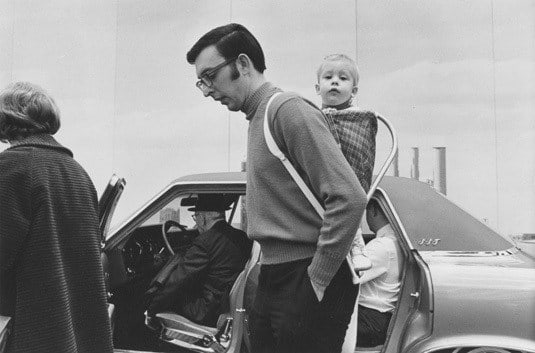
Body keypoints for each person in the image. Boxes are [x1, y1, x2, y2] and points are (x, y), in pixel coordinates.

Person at [186, 24, 367, 353]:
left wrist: (317, 279)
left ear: (242, 64)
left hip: (304, 274)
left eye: (210, 76)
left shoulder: (286, 110)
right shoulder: (257, 117)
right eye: (201, 80)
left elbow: (350, 197)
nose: (206, 90)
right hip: (275, 273)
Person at [0, 82, 113, 353]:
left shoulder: (12, 168)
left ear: (7, 120)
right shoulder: (77, 172)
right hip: (73, 332)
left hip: (28, 331)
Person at [146, 194, 252, 326]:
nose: (196, 222)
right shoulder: (242, 237)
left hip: (206, 310)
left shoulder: (204, 242)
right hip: (228, 304)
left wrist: (151, 309)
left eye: (196, 217)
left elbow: (178, 281)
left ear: (202, 218)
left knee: (169, 296)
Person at [315, 53, 378, 272]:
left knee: (349, 200)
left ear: (354, 91)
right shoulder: (312, 118)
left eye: (343, 78)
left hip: (346, 178)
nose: (334, 81)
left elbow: (362, 155)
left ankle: (356, 245)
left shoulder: (359, 118)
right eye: (328, 77)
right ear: (317, 87)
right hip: (320, 180)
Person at [355, 199, 403, 347]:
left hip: (369, 320)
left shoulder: (382, 246)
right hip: (378, 319)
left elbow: (350, 275)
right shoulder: (393, 241)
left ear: (374, 210)